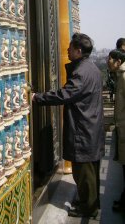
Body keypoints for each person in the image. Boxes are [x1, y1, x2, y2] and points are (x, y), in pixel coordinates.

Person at [32, 33, 105, 218]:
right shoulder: (92, 68)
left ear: (78, 51)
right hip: (90, 125)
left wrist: (37, 97)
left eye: (71, 48)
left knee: (84, 171)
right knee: (91, 169)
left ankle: (88, 208)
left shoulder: (82, 72)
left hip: (83, 128)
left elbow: (64, 95)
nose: (67, 50)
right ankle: (90, 203)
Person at [107, 48, 125, 212]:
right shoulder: (119, 76)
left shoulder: (124, 77)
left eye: (110, 60)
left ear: (118, 62)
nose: (107, 62)